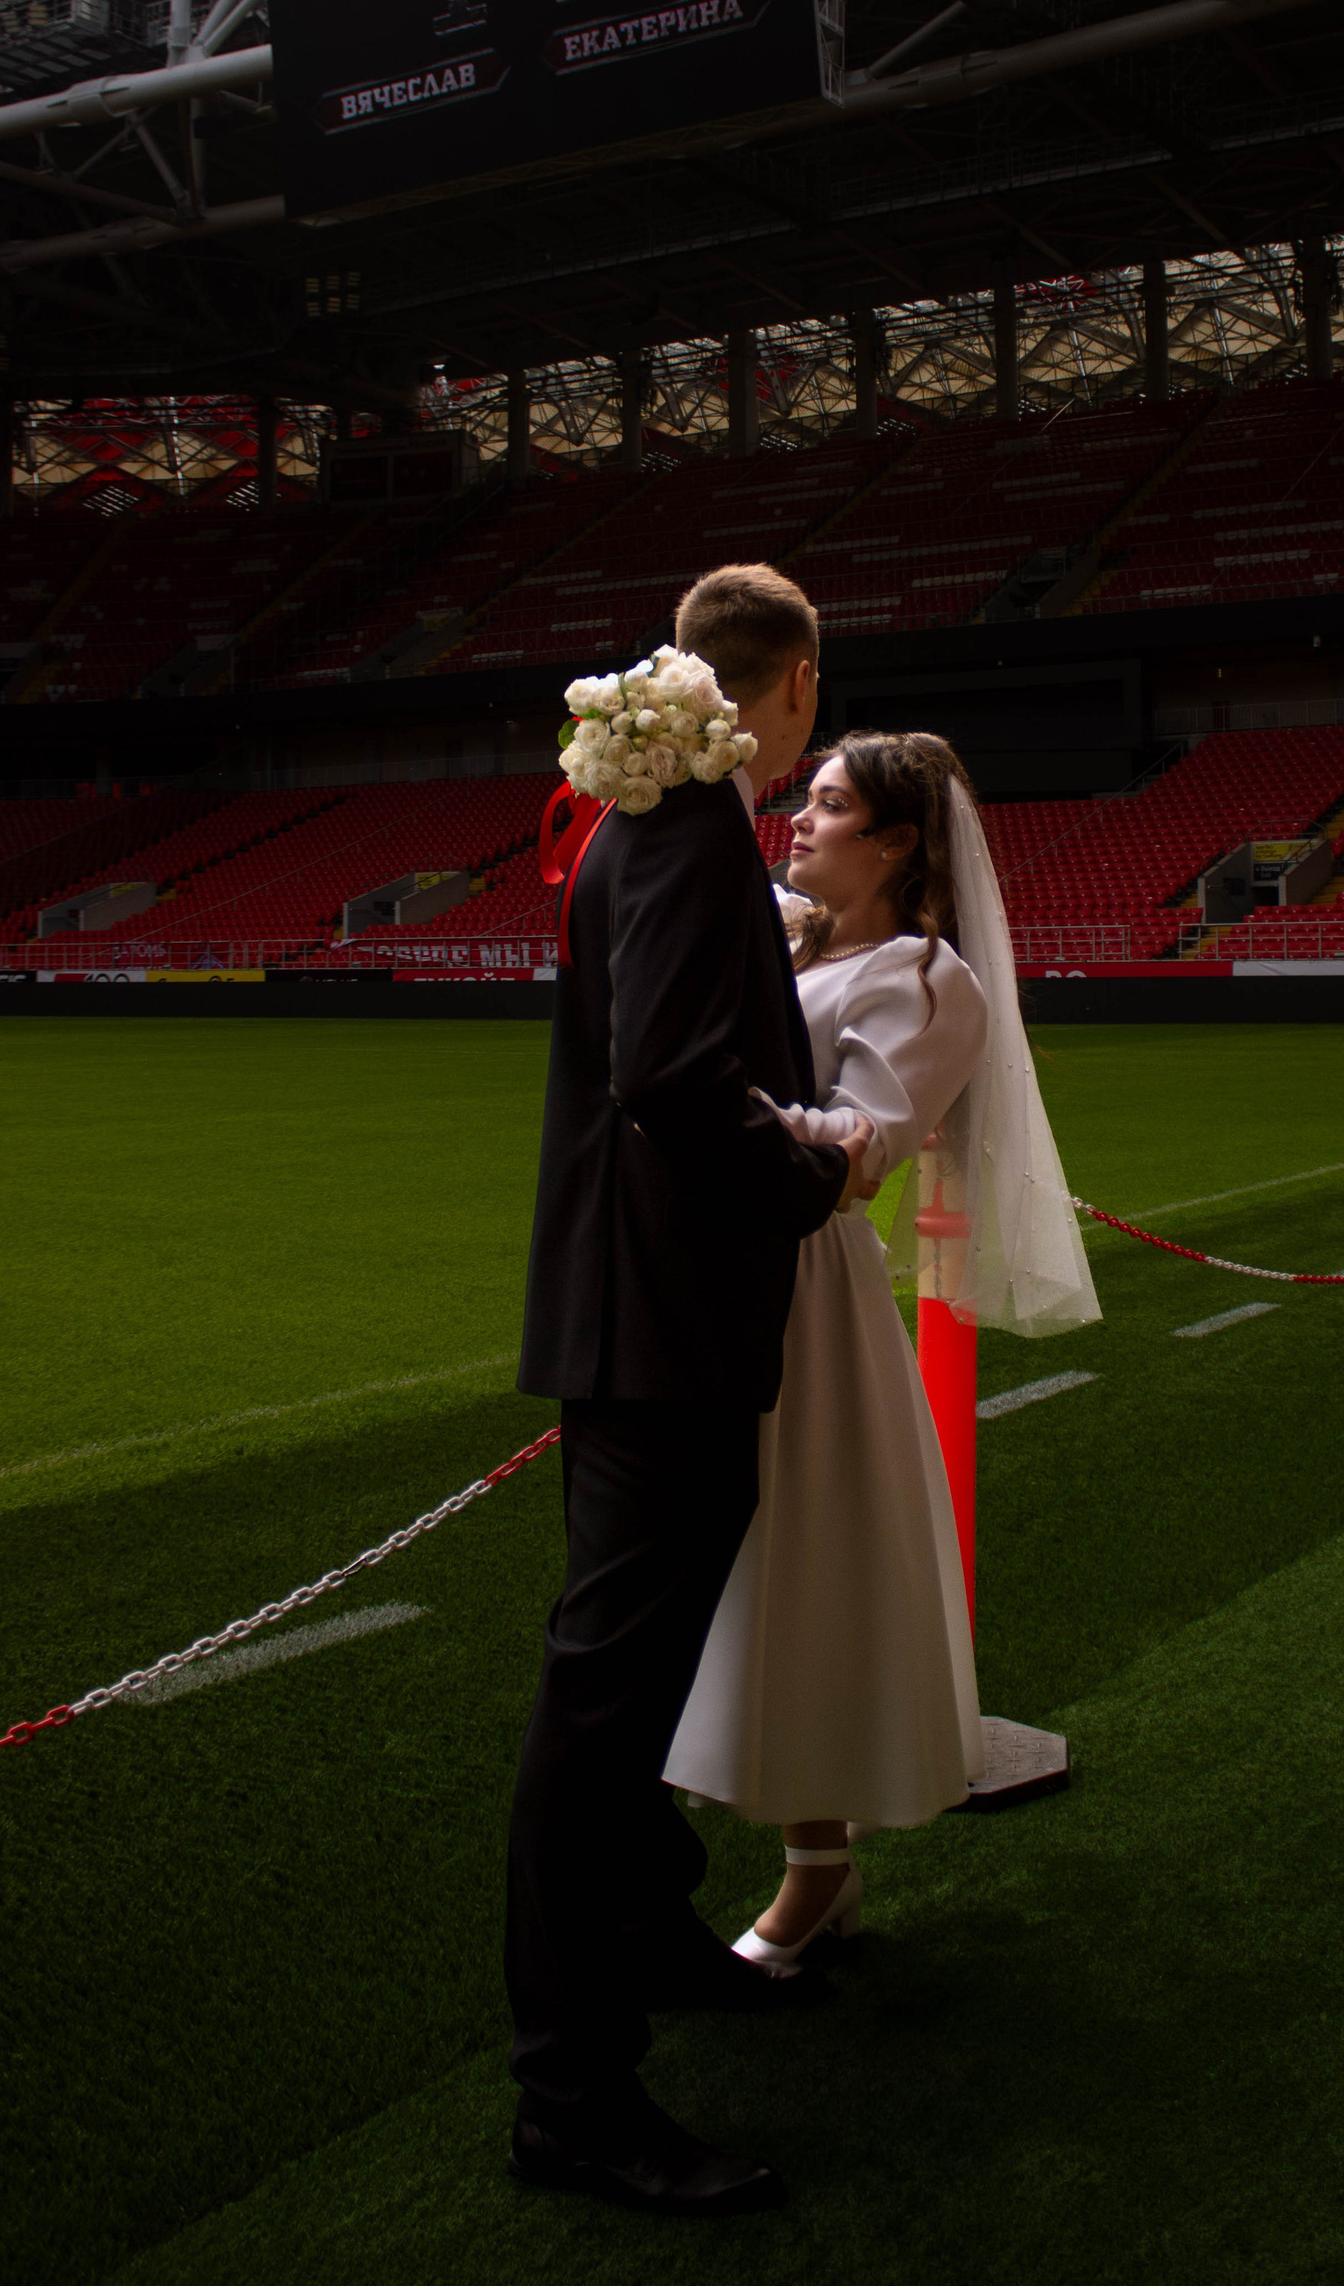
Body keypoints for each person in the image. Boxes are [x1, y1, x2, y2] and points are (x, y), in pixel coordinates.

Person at [505, 562, 875, 2221]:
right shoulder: (682, 827)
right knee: (601, 1712)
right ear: (793, 684)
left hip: (656, 1317)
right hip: (654, 1324)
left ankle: (652, 1942)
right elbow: (663, 1071)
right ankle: (570, 2099)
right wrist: (809, 1172)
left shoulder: (663, 813)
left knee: (629, 1689)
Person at [667, 731, 1101, 1960]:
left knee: (802, 1571)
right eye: (801, 800)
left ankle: (816, 1873)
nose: (797, 822)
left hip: (806, 1294)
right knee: (704, 1570)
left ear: (898, 841)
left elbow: (863, 1150)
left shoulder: (926, 979)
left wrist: (705, 1106)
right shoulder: (783, 938)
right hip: (708, 1276)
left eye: (828, 805)